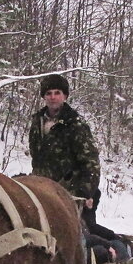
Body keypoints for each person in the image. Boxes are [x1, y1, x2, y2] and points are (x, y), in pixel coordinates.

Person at [28, 73, 101, 213]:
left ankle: (115, 237)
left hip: (69, 193)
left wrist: (84, 193)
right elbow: (36, 157)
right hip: (41, 190)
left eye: (57, 93)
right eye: (48, 93)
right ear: (43, 96)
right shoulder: (37, 122)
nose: (53, 97)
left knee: (81, 232)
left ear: (65, 96)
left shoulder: (75, 124)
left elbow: (91, 164)